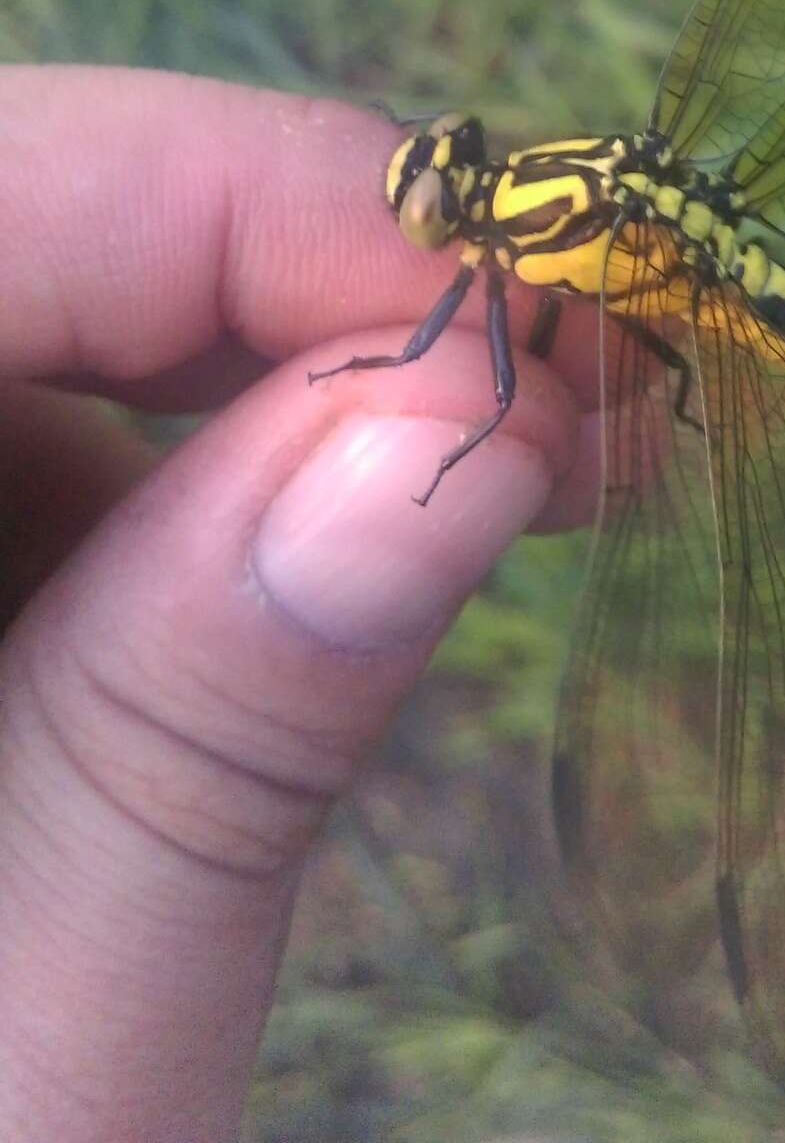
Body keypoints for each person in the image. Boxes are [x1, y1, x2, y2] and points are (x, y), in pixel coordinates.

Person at [0, 66, 597, 1143]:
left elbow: (479, 380)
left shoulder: (498, 250)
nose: (434, 180)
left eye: (438, 186)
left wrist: (420, 463)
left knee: (495, 393)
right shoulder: (528, 239)